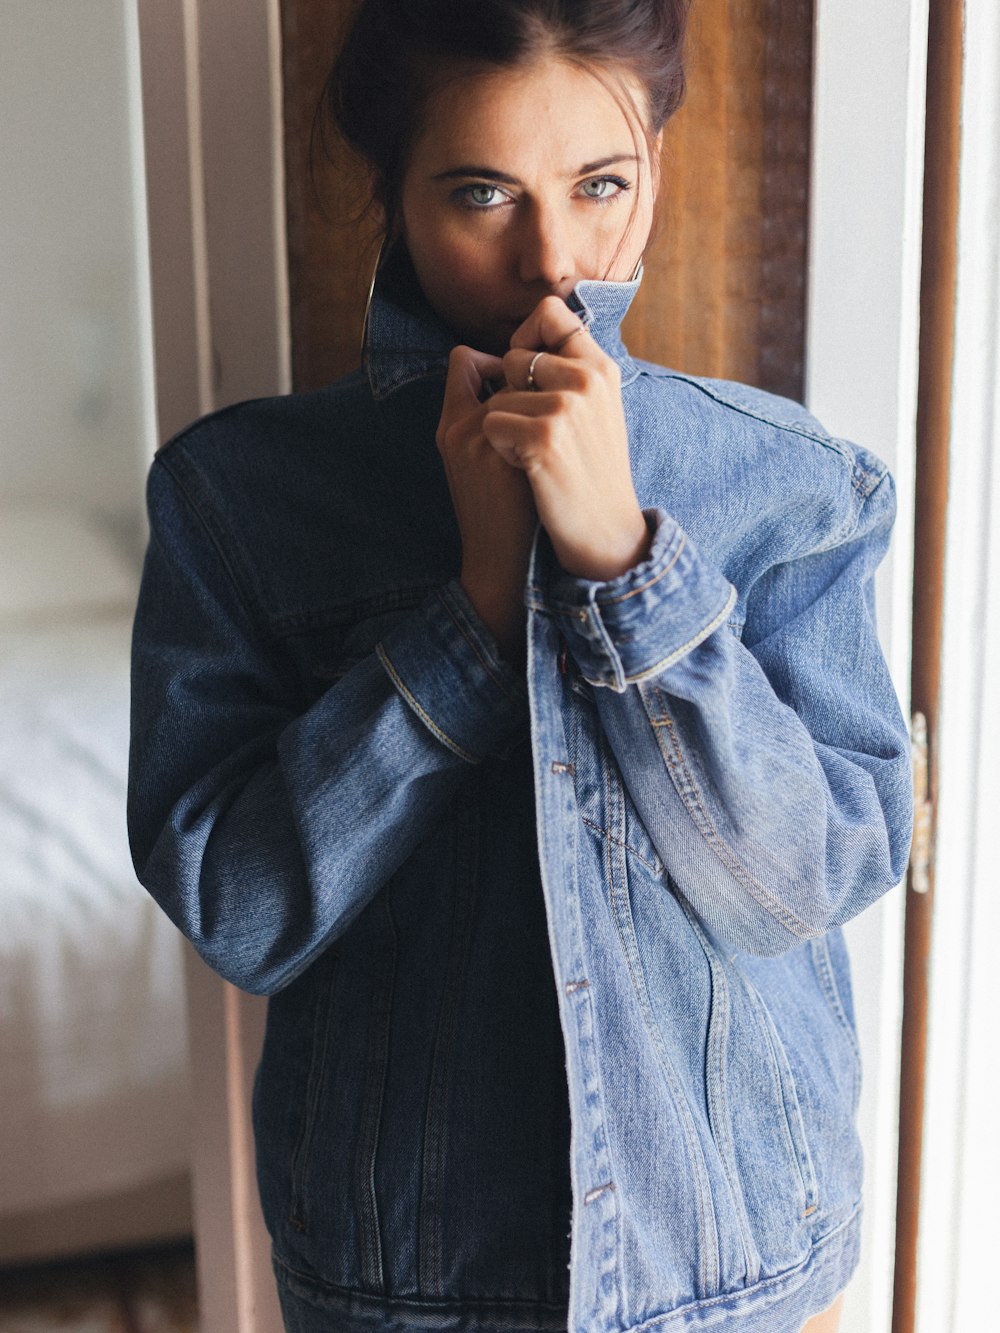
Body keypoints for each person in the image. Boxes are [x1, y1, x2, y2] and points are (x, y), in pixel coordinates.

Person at [127, 2, 913, 1330]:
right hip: (399, 1285)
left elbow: (812, 877)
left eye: (600, 185)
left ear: (657, 165)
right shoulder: (242, 496)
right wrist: (476, 611)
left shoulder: (790, 484)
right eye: (483, 193)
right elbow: (241, 908)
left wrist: (626, 564)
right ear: (391, 190)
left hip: (740, 1264)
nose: (553, 258)